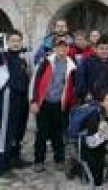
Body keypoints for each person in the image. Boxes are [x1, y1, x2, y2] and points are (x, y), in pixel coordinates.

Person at [29, 37, 77, 173]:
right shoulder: (46, 62)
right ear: (54, 48)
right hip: (44, 103)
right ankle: (39, 160)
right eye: (59, 47)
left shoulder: (71, 66)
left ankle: (59, 159)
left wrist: (71, 103)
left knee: (58, 134)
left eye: (65, 47)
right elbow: (36, 81)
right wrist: (34, 101)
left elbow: (72, 86)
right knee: (41, 134)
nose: (62, 49)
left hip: (59, 105)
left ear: (68, 49)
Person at [0, 30, 31, 175]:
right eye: (13, 40)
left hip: (22, 98)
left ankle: (14, 156)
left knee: (19, 129)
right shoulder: (3, 57)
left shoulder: (22, 58)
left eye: (18, 40)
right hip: (8, 98)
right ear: (7, 41)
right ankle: (2, 162)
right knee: (6, 130)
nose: (16, 43)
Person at [75, 35, 108, 103]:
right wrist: (85, 93)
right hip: (89, 99)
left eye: (107, 49)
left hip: (105, 101)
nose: (104, 51)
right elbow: (80, 80)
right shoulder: (87, 62)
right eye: (102, 48)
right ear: (95, 49)